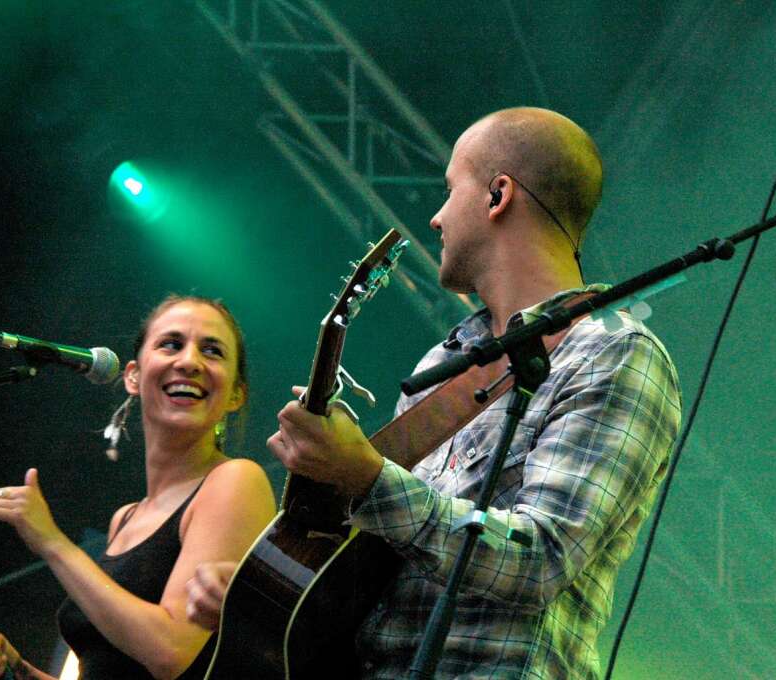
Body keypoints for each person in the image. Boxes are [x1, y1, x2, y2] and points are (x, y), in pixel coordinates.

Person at [188, 107, 682, 678]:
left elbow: (541, 559)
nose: (436, 218)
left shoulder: (614, 354)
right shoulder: (445, 361)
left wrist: (367, 477)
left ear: (498, 196)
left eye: (450, 190)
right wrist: (278, 595)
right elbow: (387, 565)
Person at [0, 295, 277, 680]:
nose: (190, 362)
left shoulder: (235, 480)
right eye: (171, 344)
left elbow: (170, 650)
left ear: (235, 394)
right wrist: (21, 673)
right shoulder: (124, 519)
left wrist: (51, 541)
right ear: (132, 376)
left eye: (212, 351)